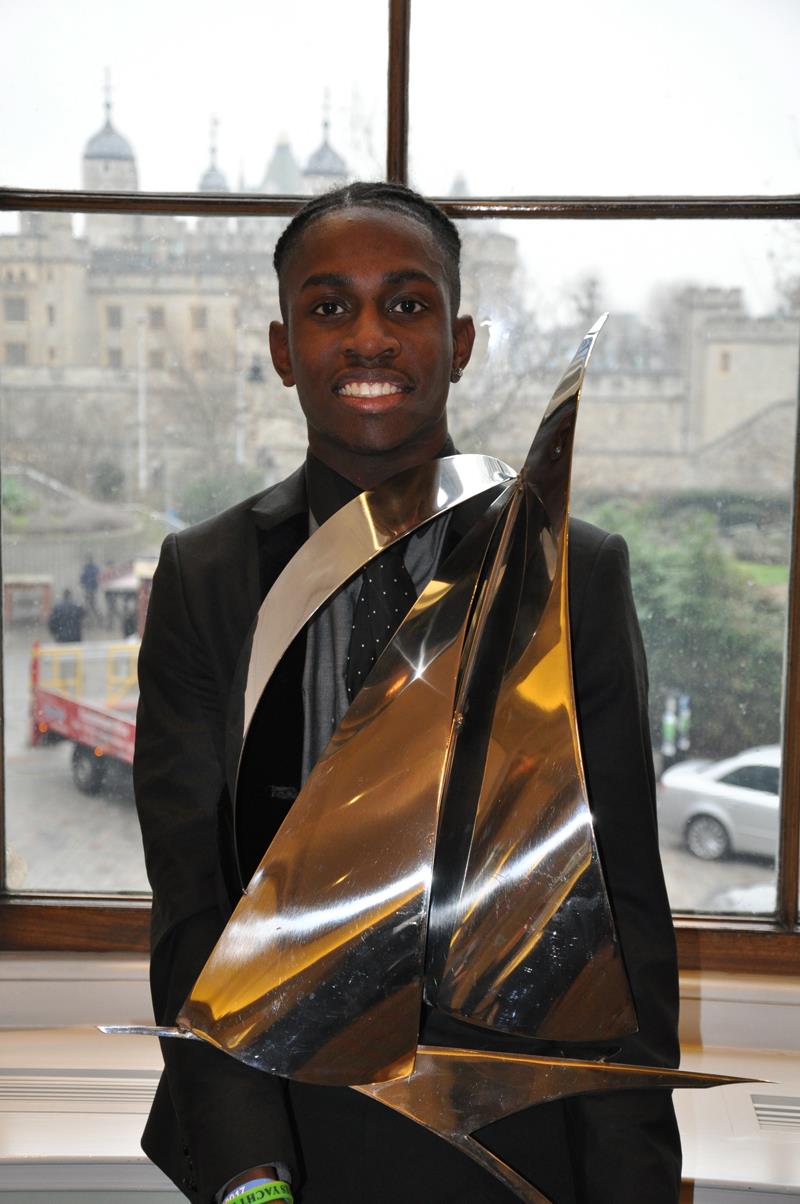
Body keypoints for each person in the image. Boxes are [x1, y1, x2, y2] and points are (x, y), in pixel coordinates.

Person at [134, 183, 680, 1204]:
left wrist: (631, 1180)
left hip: (514, 1138)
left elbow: (619, 912)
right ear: (282, 347)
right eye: (329, 307)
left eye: (408, 303)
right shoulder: (206, 577)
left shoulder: (571, 571)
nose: (370, 338)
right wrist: (252, 1173)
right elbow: (194, 902)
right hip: (279, 1123)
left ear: (461, 338)